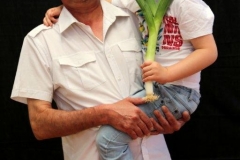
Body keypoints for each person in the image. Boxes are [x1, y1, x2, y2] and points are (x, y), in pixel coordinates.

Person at [11, 0, 191, 160]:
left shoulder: (137, 17)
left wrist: (171, 116)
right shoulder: (40, 41)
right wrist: (104, 114)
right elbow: (40, 125)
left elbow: (178, 60)